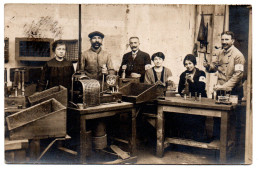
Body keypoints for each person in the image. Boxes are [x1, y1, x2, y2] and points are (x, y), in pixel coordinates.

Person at [203, 31, 245, 100]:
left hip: (234, 92)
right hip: (220, 91)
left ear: (232, 41)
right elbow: (214, 68)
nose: (224, 42)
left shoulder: (238, 55)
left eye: (227, 39)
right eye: (222, 39)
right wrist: (208, 66)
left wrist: (224, 86)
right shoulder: (220, 53)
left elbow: (238, 75)